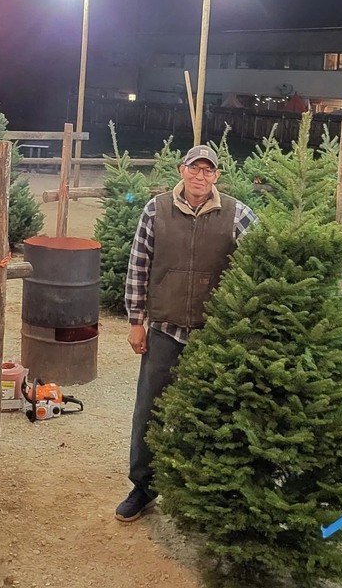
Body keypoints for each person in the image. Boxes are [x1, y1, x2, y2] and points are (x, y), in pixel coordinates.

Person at [116, 144, 257, 523]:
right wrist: (136, 321)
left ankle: (207, 491)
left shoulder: (237, 214)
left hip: (215, 334)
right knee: (149, 410)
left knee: (212, 411)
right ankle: (143, 487)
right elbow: (138, 265)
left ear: (217, 176)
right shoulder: (156, 210)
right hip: (165, 330)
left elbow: (259, 264)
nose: (200, 176)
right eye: (194, 168)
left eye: (208, 170)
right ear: (182, 170)